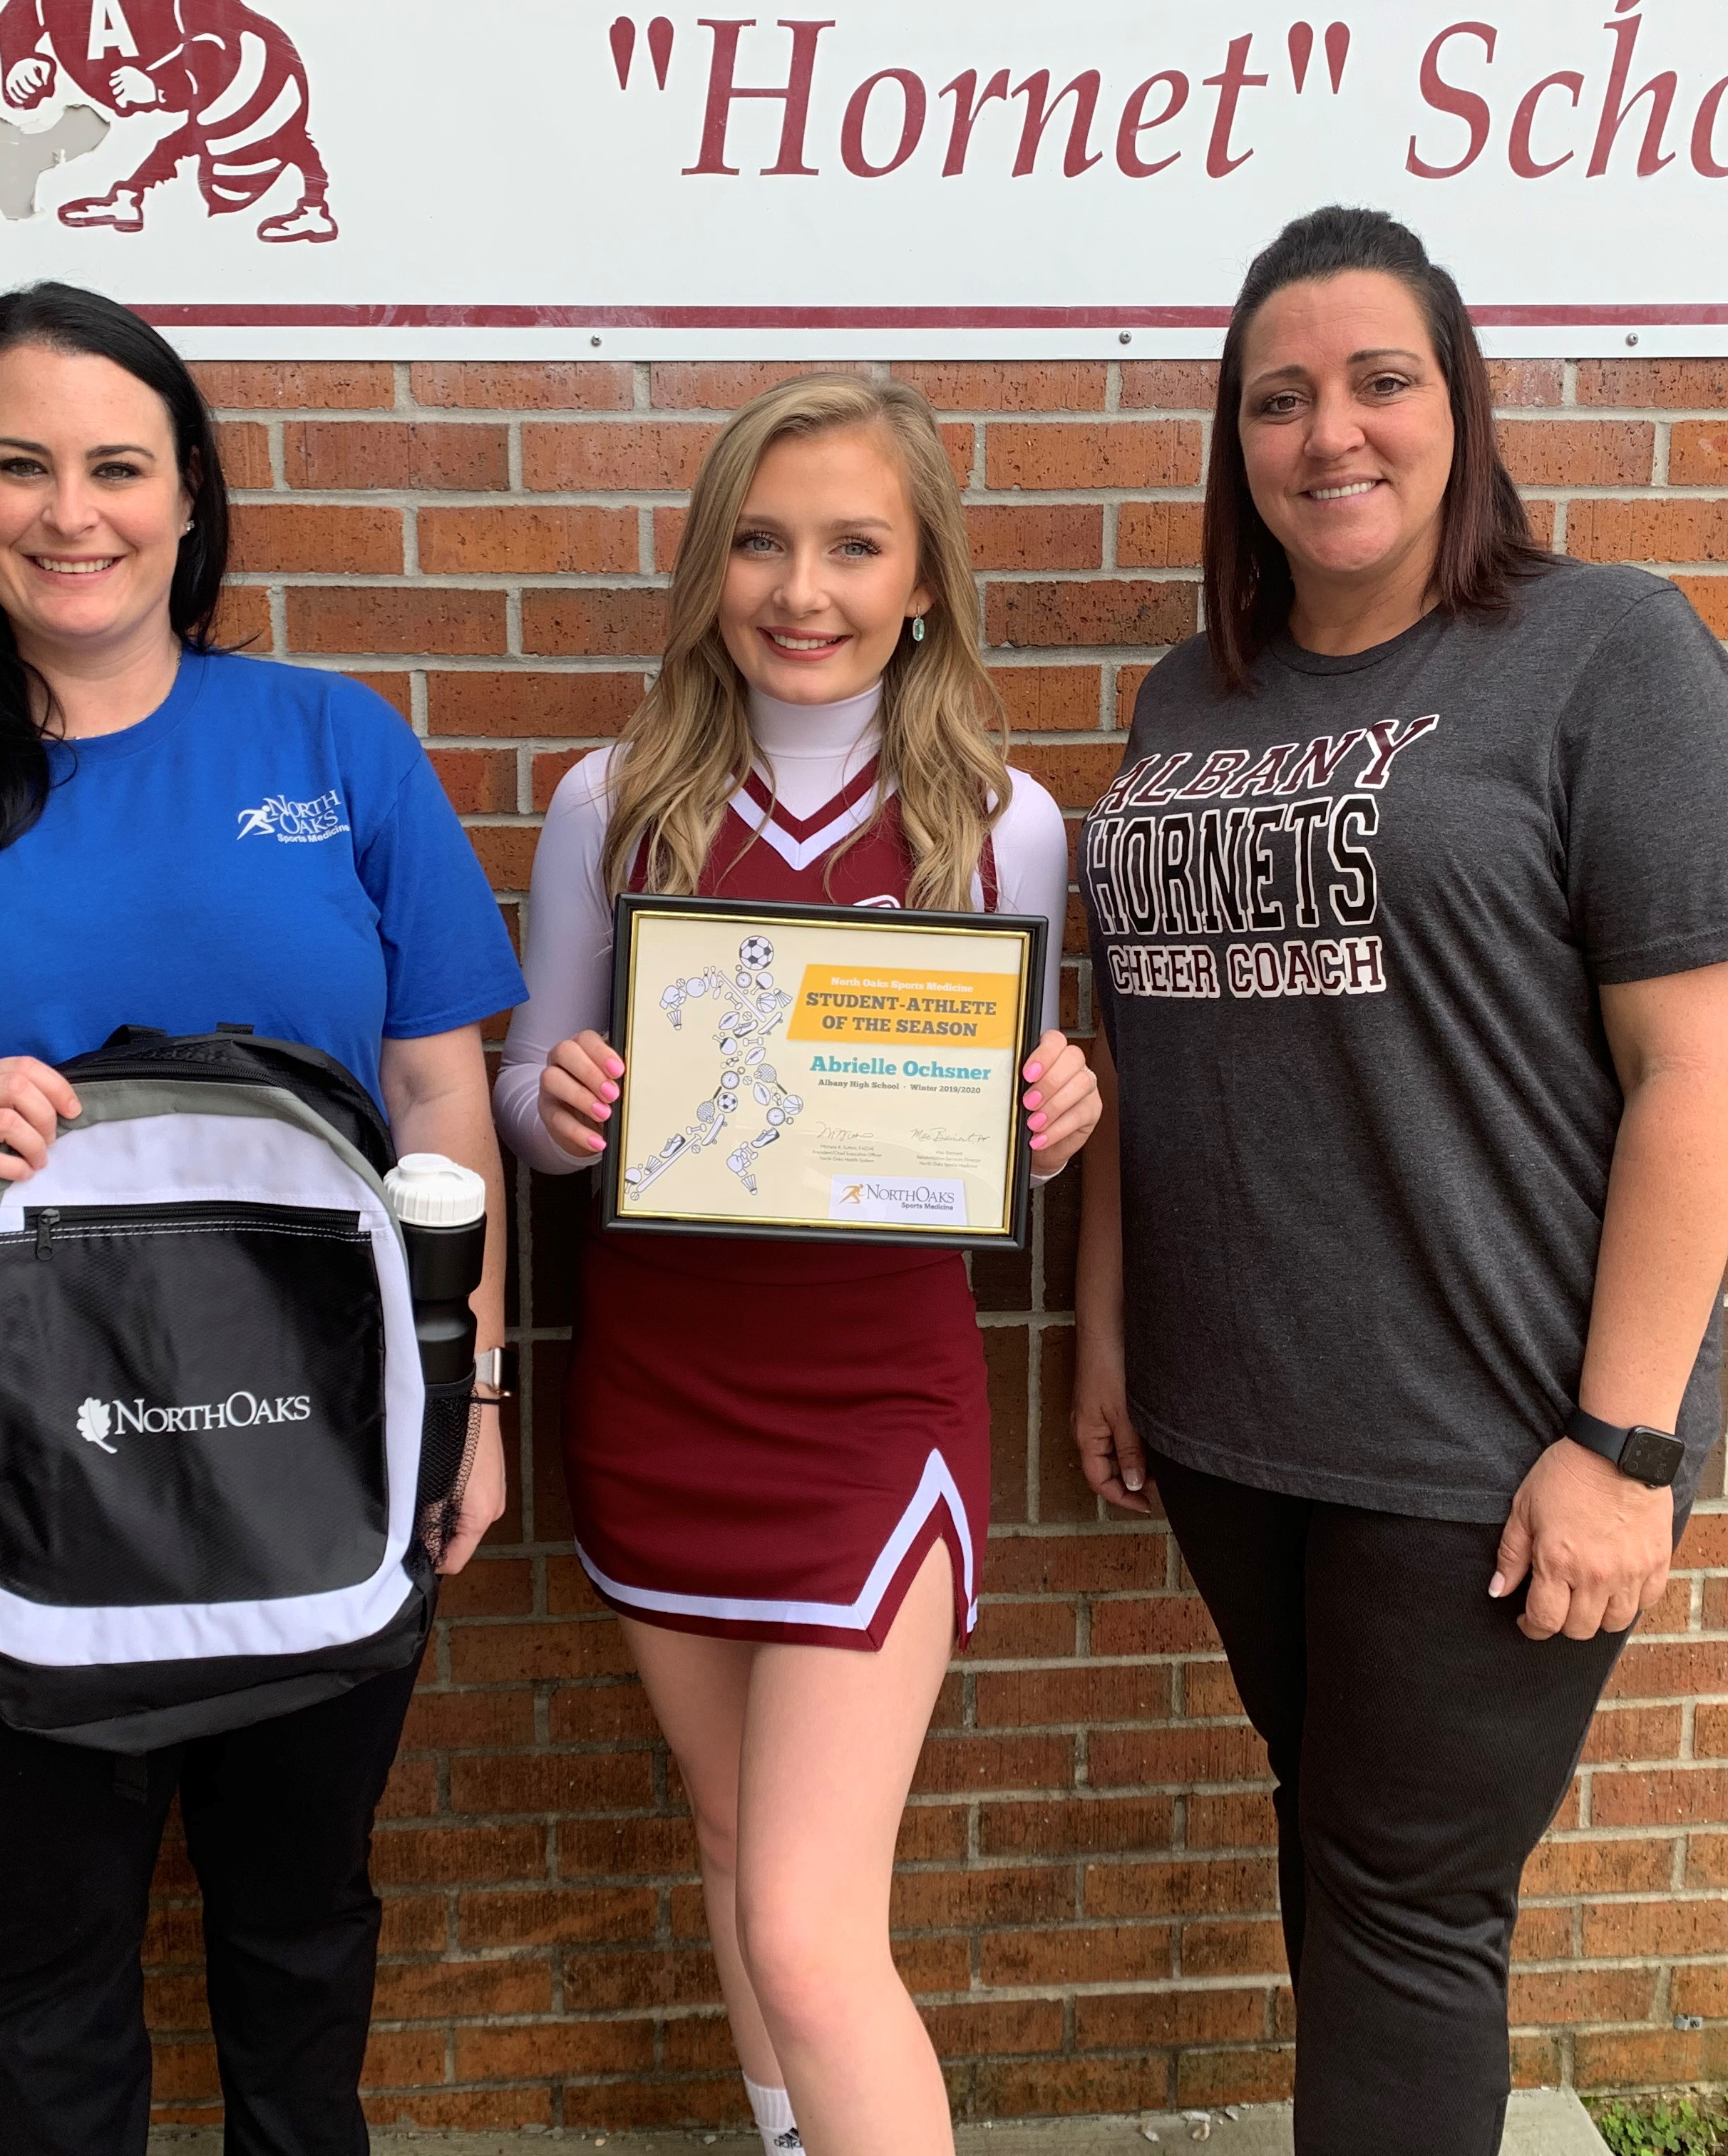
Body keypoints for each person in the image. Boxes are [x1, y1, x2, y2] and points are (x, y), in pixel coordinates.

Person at [0, 282, 521, 2156]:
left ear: (188, 494)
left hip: (326, 1470)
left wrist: (473, 1394)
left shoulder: (335, 749)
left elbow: (439, 1104)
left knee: (301, 1935)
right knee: (51, 1951)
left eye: (117, 466)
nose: (71, 513)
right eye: (21, 466)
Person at [1069, 207, 1728, 2155]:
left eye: (1380, 380)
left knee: (1404, 1913)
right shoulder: (1187, 698)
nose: (1330, 433)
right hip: (1236, 1424)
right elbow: (1145, 1045)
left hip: (1483, 1442)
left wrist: (1623, 1445)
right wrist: (1110, 1331)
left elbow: (1704, 1071)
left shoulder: (1606, 652)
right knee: (1343, 1852)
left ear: (1460, 402)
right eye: (1278, 398)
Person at [494, 375, 1099, 2156]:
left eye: (854, 546)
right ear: (709, 567)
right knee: (732, 1838)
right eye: (761, 543)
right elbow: (524, 1091)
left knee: (809, 1926)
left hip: (873, 1413)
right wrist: (563, 1106)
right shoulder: (615, 799)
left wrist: (1057, 1112)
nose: (803, 589)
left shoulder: (1003, 819)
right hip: (661, 1395)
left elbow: (1006, 1123)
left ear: (925, 581)